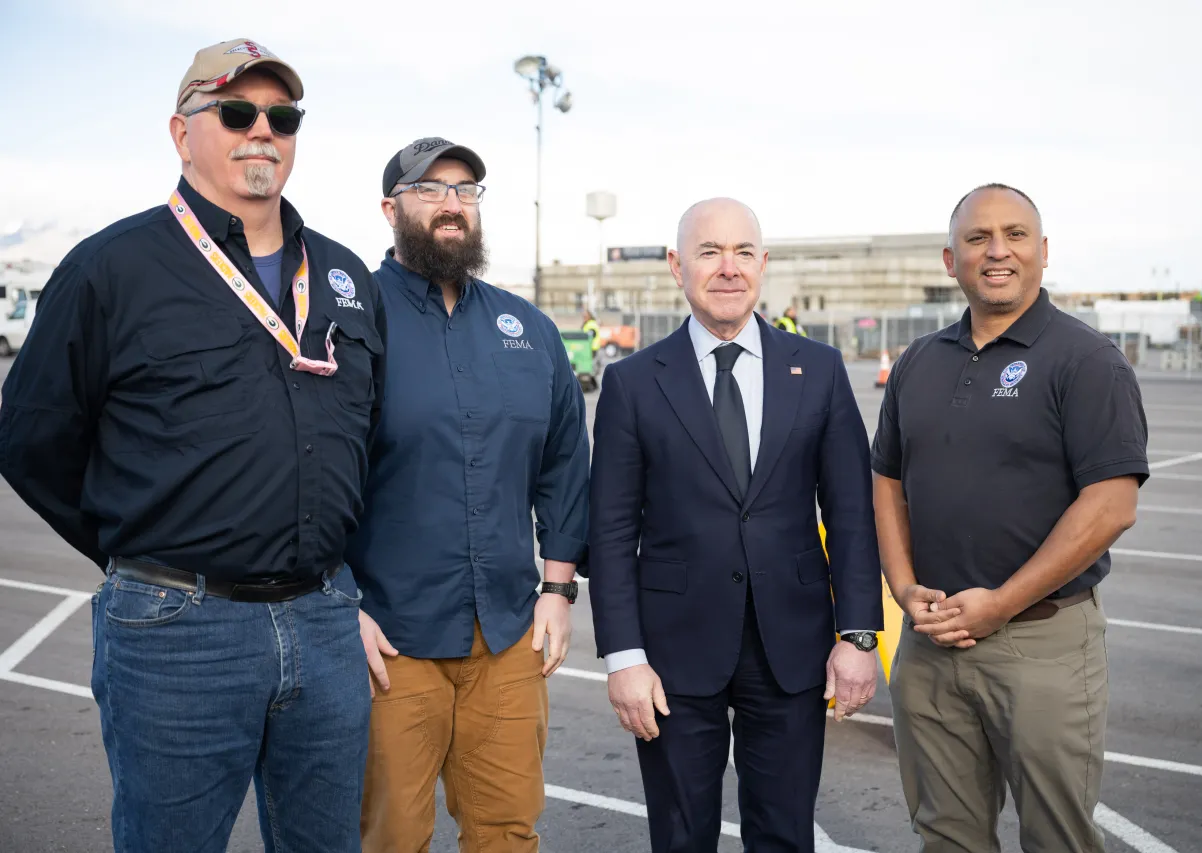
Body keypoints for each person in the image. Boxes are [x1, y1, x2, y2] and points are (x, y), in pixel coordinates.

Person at [0, 39, 384, 852]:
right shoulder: (113, 267)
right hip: (179, 629)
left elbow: (368, 441)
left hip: (324, 620)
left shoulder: (346, 275)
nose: (262, 132)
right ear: (182, 133)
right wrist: (138, 546)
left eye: (282, 117)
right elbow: (31, 438)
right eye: (237, 112)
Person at [588, 197, 883, 852]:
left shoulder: (820, 370)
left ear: (763, 264)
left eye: (743, 252)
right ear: (677, 265)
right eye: (709, 252)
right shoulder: (633, 382)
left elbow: (852, 512)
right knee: (682, 836)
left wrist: (859, 635)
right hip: (671, 653)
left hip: (792, 646)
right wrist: (625, 657)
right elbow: (609, 528)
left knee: (783, 834)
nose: (728, 268)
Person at [871, 183, 1148, 852]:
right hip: (930, 644)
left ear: (1043, 252)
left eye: (1016, 234)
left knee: (1058, 838)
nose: (998, 251)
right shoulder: (916, 362)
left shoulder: (1086, 361)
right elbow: (886, 482)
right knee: (947, 835)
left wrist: (1000, 603)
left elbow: (1112, 504)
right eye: (978, 238)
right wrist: (905, 591)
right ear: (950, 260)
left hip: (1041, 643)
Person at [349, 137, 590, 852]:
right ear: (391, 209)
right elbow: (310, 474)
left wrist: (558, 588)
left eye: (466, 190)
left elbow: (565, 466)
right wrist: (338, 599)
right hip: (390, 640)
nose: (452, 203)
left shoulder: (529, 331)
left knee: (508, 832)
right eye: (431, 188)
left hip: (508, 637)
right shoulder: (351, 318)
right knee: (391, 837)